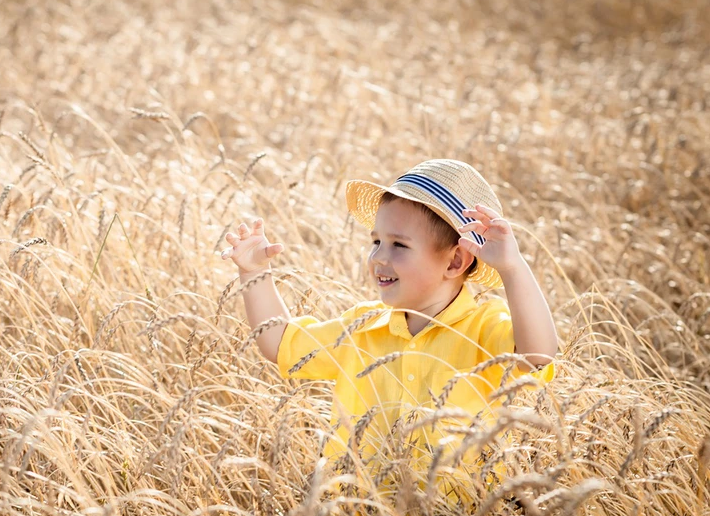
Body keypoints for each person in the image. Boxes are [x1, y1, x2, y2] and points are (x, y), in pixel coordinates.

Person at [220, 159, 558, 491]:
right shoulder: (363, 328)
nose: (379, 256)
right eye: (376, 241)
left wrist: (512, 269)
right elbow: (280, 344)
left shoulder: (484, 326)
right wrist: (254, 273)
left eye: (399, 245)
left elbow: (537, 355)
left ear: (455, 261)